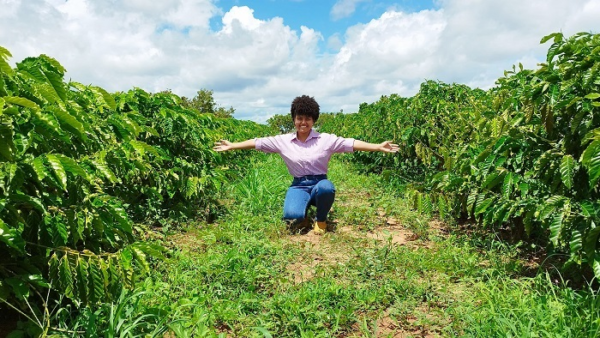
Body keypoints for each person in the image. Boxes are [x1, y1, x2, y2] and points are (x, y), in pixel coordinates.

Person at [213, 95, 399, 234]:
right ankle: (303, 212)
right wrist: (233, 146)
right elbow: (257, 142)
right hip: (299, 184)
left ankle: (321, 219)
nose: (303, 122)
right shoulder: (283, 141)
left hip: (319, 182)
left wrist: (377, 147)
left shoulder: (325, 140)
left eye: (308, 119)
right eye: (300, 118)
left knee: (326, 188)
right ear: (294, 119)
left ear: (314, 120)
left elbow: (350, 143)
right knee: (291, 215)